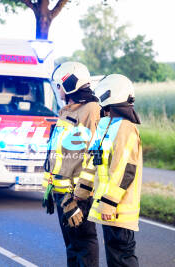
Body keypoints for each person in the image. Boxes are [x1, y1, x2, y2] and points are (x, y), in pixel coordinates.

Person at [42, 62, 100, 266]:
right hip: (62, 193)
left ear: (70, 84)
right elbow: (60, 154)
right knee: (72, 247)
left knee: (83, 245)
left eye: (59, 85)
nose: (58, 90)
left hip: (77, 195)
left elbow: (95, 154)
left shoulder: (91, 110)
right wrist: (51, 188)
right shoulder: (66, 111)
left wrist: (79, 195)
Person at [84, 74, 142, 267]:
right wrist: (82, 190)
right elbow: (95, 161)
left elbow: (125, 169)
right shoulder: (107, 125)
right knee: (115, 258)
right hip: (108, 207)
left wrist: (109, 202)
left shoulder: (125, 128)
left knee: (122, 259)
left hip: (118, 208)